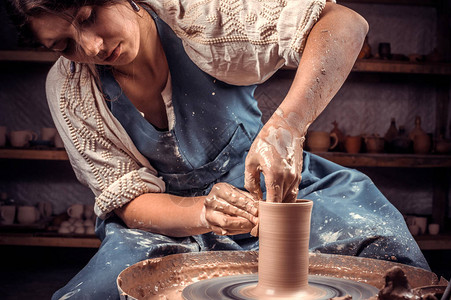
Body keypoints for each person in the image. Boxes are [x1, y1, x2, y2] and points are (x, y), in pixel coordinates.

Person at [8, 0, 429, 299]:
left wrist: (287, 125)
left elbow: (342, 23)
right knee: (103, 290)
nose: (92, 47)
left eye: (88, 16)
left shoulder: (197, 13)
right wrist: (203, 214)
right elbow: (126, 199)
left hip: (269, 190)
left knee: (385, 256)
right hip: (168, 218)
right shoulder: (69, 88)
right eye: (65, 45)